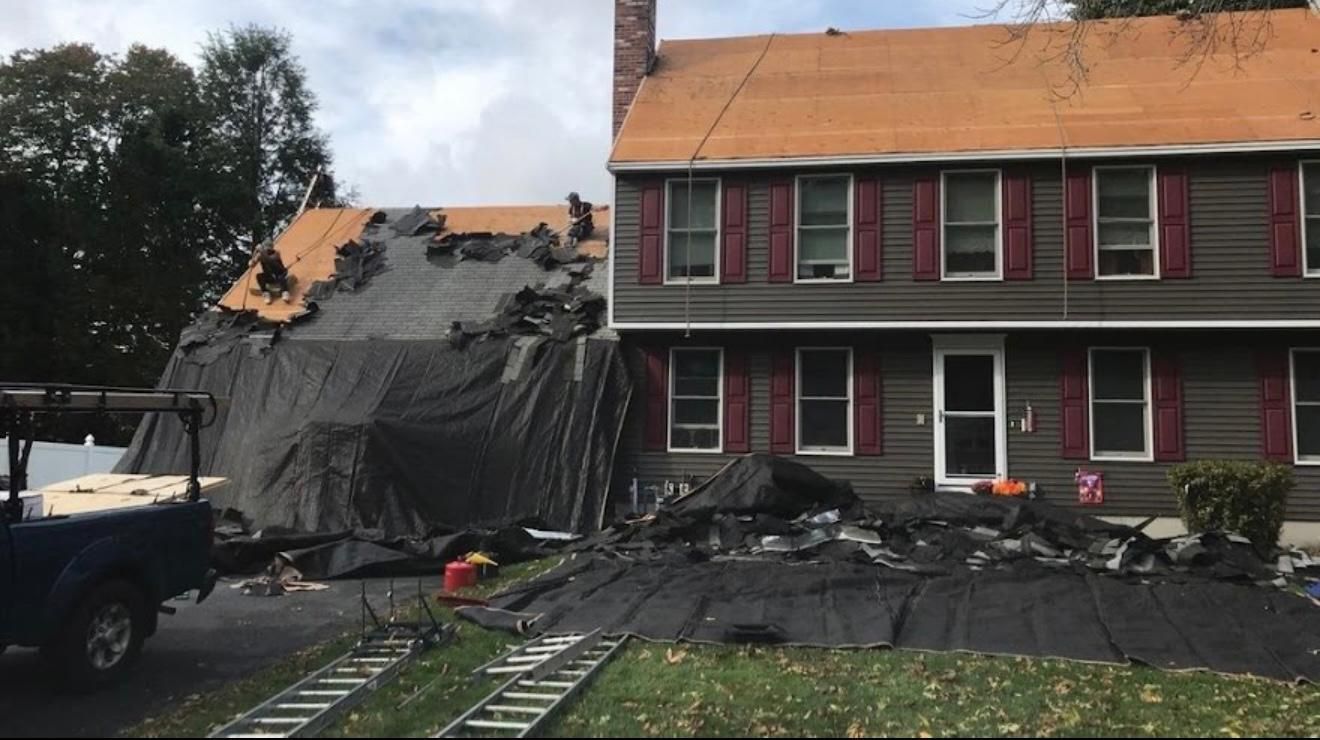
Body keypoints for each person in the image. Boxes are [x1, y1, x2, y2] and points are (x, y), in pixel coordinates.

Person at [250, 240, 291, 304]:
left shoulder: (276, 253)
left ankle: (285, 292)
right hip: (269, 275)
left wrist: (261, 250)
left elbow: (269, 260)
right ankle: (266, 293)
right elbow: (253, 263)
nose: (268, 251)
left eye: (269, 249)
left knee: (281, 277)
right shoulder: (260, 255)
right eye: (266, 249)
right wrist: (252, 261)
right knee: (259, 276)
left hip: (279, 272)